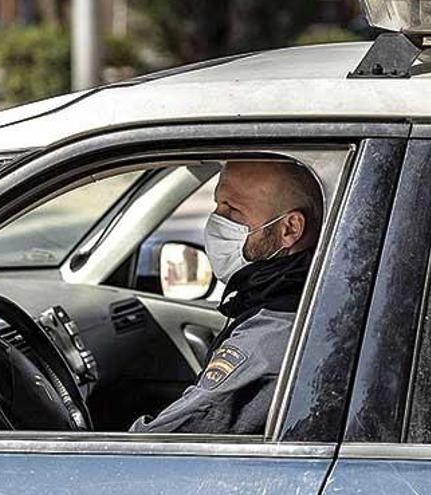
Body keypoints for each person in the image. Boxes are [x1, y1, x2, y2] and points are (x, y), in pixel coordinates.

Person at [130, 159, 324, 434]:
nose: (216, 221)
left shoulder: (272, 334)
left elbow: (159, 444)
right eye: (217, 205)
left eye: (233, 211)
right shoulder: (276, 296)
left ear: (290, 229)